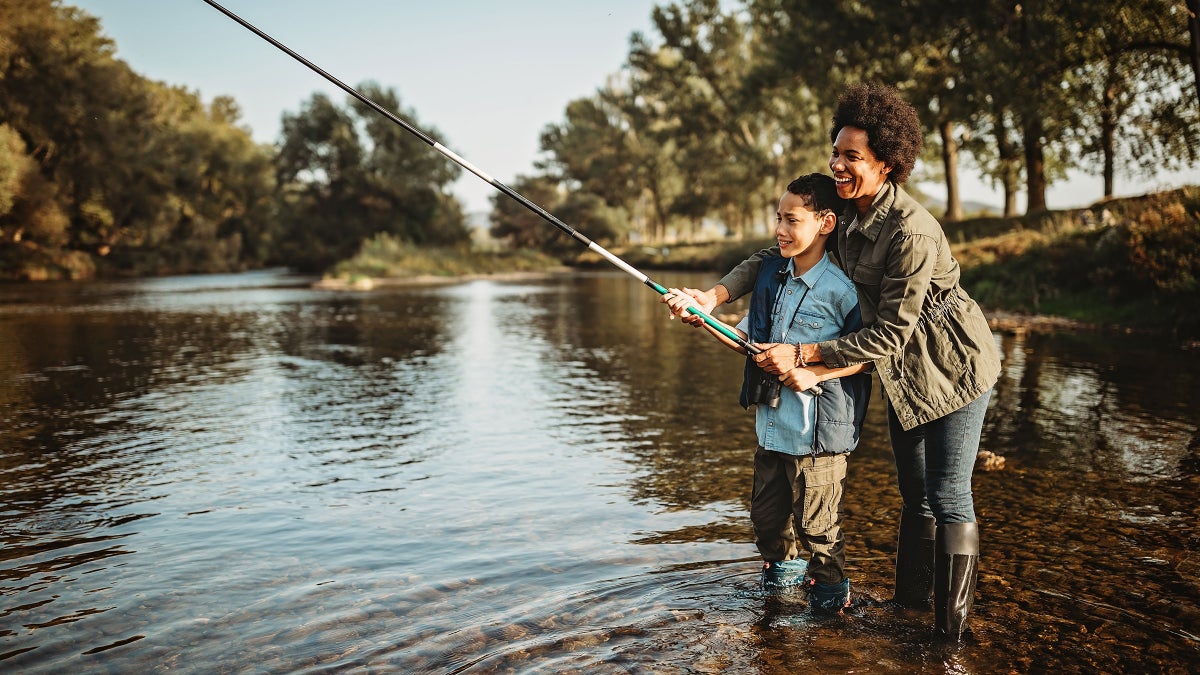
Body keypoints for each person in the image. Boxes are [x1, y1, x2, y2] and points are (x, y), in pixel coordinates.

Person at [666, 82, 1001, 640]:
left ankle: (950, 635)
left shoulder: (912, 231)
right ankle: (908, 610)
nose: (838, 166)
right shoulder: (838, 211)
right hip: (897, 371)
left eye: (853, 157)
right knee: (913, 495)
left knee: (947, 494)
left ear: (888, 164)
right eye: (836, 153)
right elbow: (771, 256)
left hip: (953, 365)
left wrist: (805, 355)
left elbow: (892, 331)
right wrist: (713, 298)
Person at [665, 173, 871, 614]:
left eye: (791, 220)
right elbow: (745, 342)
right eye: (777, 218)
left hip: (818, 439)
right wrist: (702, 318)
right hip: (772, 433)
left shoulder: (842, 290)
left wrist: (813, 372)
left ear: (825, 222)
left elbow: (869, 357)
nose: (779, 229)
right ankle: (781, 607)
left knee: (820, 533)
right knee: (768, 528)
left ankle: (832, 613)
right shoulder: (770, 278)